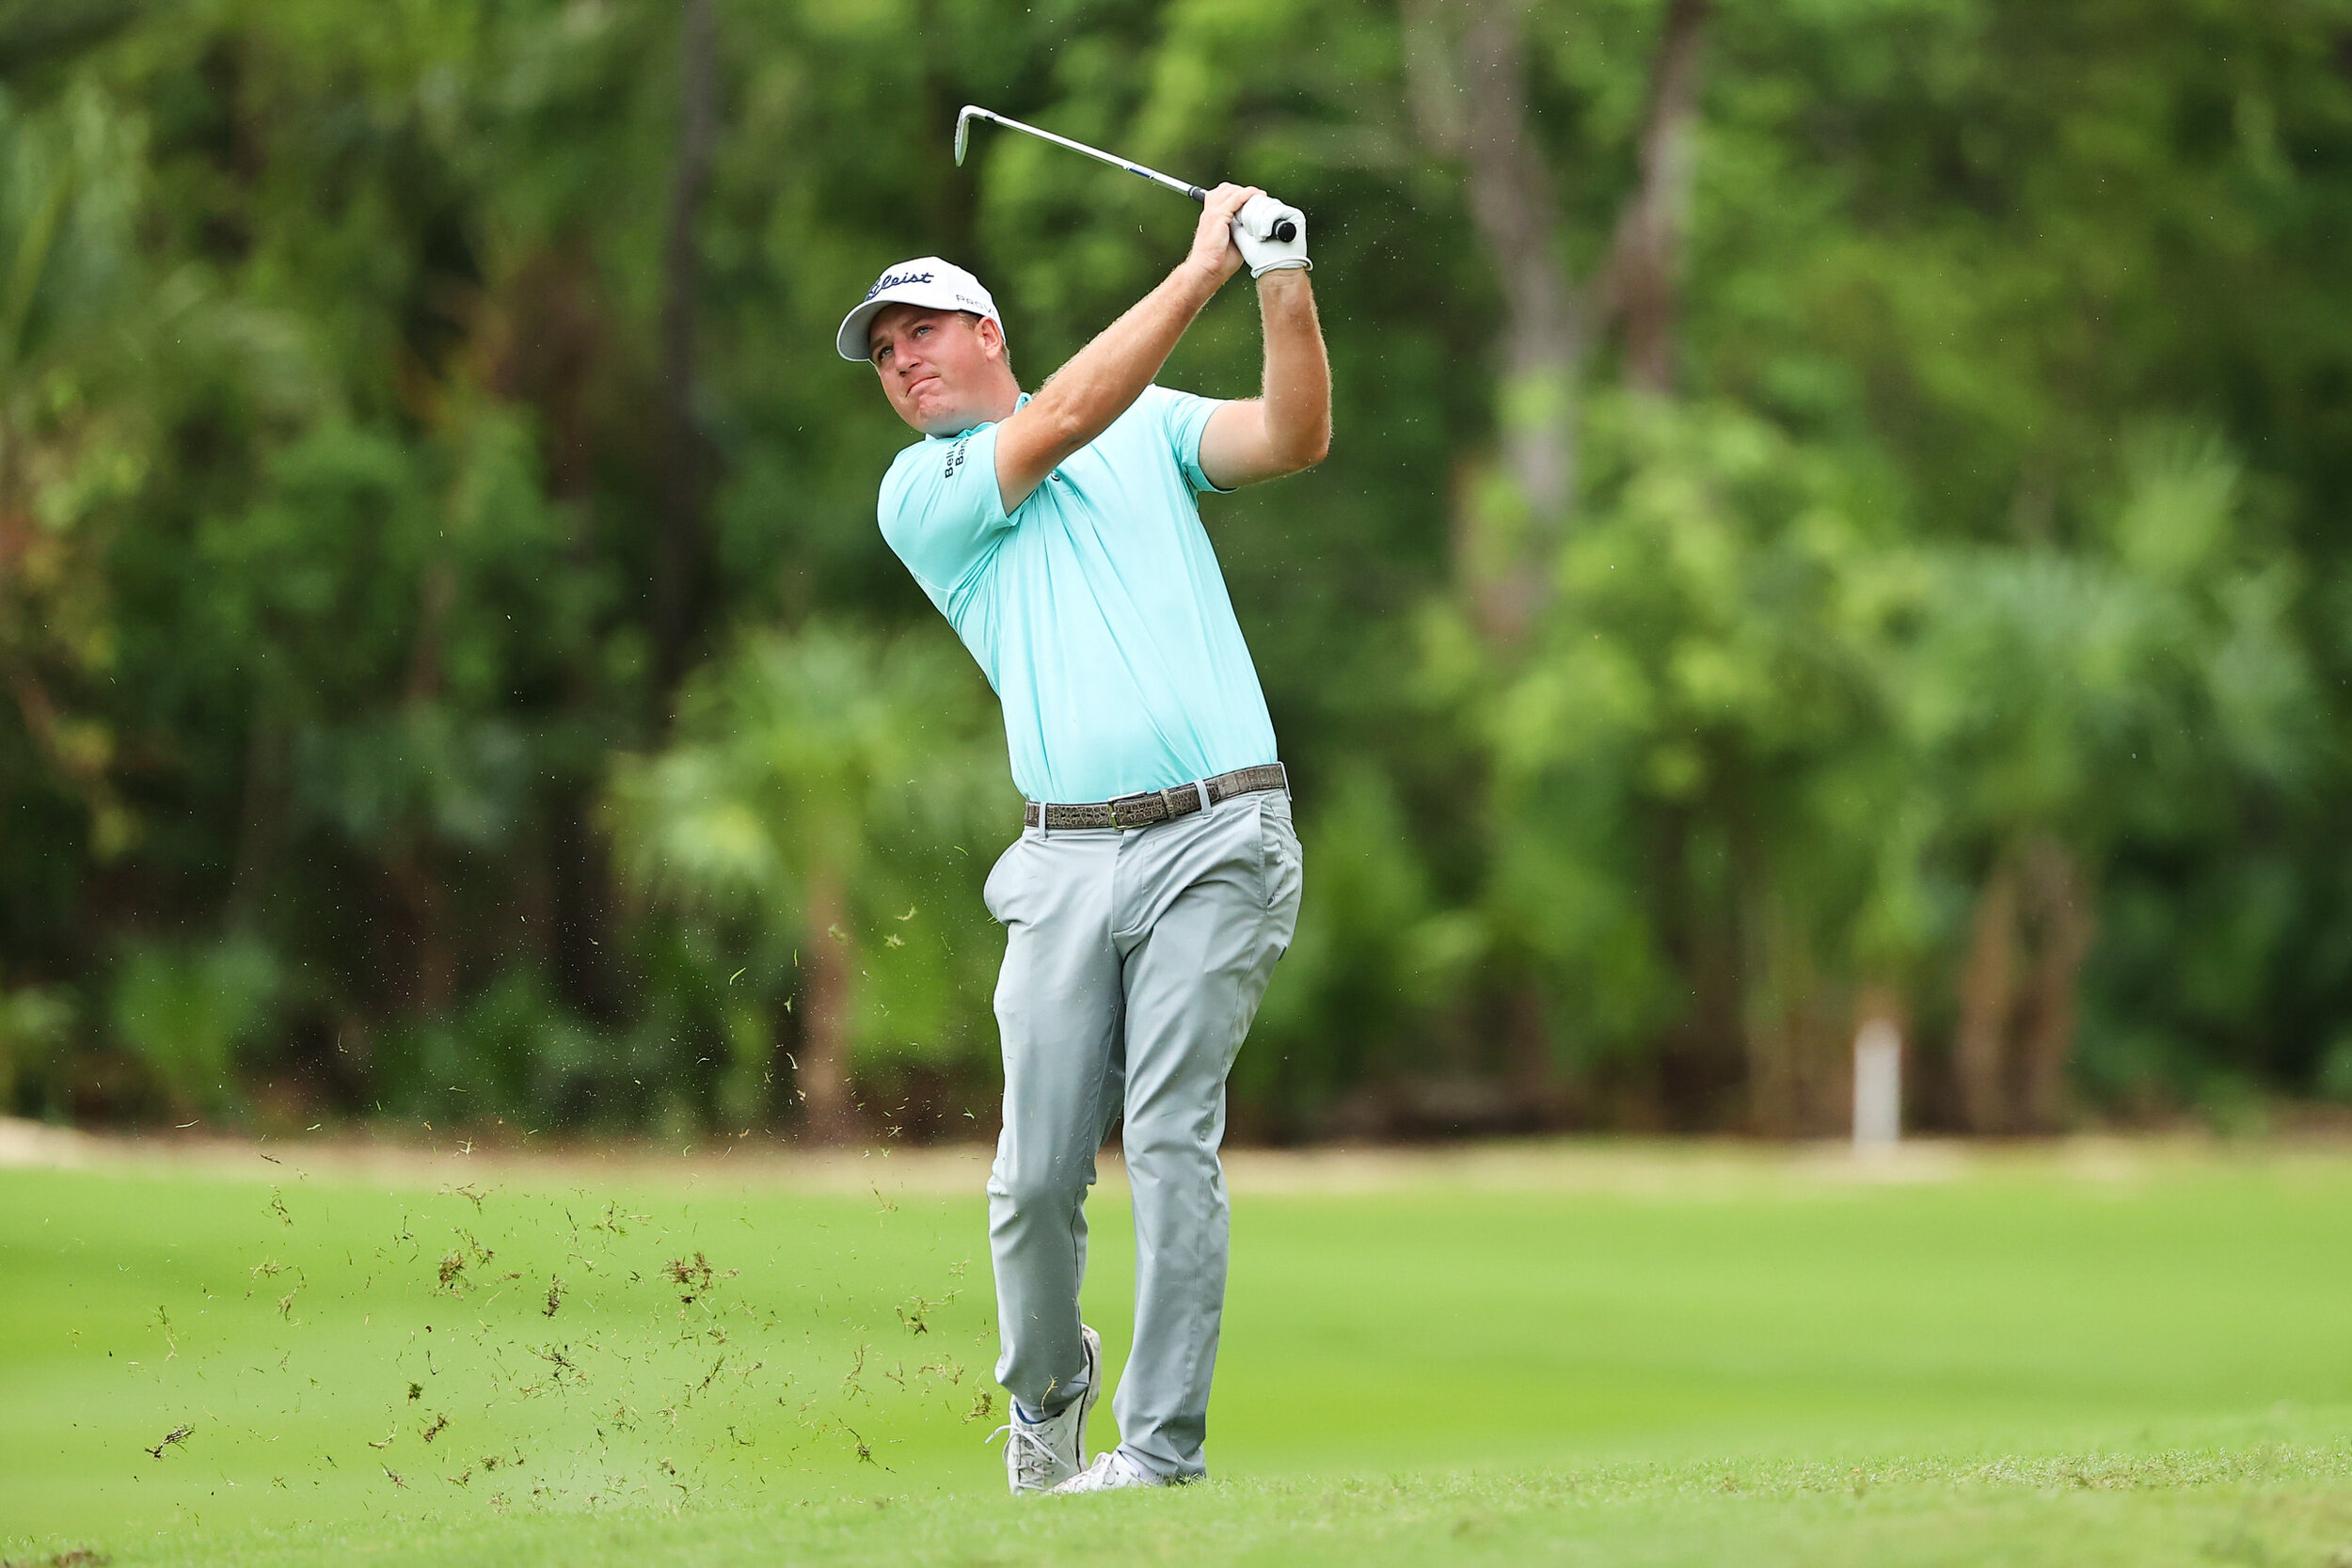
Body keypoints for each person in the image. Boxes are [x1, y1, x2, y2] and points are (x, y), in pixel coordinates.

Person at [834, 183, 1328, 1493]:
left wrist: (1282, 279)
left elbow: (1290, 435)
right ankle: (1047, 1403)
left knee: (1172, 1140)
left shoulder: (1148, 424)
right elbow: (1062, 417)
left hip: (1220, 830)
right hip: (1059, 860)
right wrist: (1199, 273)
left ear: (985, 328)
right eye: (885, 356)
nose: (904, 366)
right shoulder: (922, 491)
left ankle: (1160, 1455)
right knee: (1035, 1175)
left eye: (922, 333)